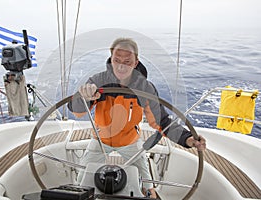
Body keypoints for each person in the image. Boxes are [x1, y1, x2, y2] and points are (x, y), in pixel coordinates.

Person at [68, 38, 206, 199]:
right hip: (100, 140)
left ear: (135, 62)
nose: (121, 66)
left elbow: (162, 122)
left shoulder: (144, 88)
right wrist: (84, 97)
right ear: (111, 59)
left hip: (130, 141)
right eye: (117, 60)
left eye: (127, 61)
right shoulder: (97, 82)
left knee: (148, 187)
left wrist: (188, 139)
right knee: (81, 183)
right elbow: (76, 110)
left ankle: (150, 193)